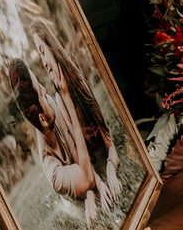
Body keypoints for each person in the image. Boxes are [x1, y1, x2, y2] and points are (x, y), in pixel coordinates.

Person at [28, 20, 122, 207]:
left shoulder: (80, 84)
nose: (44, 63)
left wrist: (111, 170)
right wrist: (99, 184)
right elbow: (79, 160)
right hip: (81, 169)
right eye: (39, 55)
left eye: (42, 52)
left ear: (52, 48)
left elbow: (109, 143)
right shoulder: (59, 101)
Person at [8, 58, 105, 226]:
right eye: (41, 92)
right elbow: (87, 177)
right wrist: (66, 99)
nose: (46, 90)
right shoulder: (54, 175)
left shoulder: (50, 107)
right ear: (42, 120)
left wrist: (91, 193)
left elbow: (79, 157)